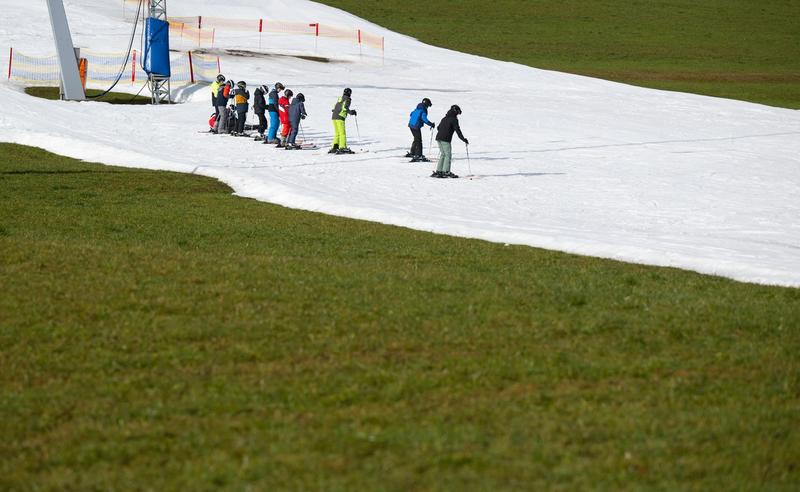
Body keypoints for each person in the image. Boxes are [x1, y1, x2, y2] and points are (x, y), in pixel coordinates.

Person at [433, 105, 469, 178]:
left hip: (438, 138)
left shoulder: (444, 118)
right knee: (448, 155)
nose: (458, 115)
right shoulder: (454, 119)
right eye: (458, 113)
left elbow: (438, 127)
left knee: (443, 154)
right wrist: (463, 139)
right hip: (445, 139)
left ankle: (439, 171)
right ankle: (446, 171)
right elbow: (458, 131)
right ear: (455, 112)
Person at [330, 87, 357, 154]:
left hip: (334, 116)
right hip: (340, 117)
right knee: (342, 133)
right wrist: (351, 112)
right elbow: (345, 108)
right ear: (349, 93)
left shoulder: (340, 98)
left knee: (337, 133)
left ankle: (335, 147)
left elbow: (336, 107)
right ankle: (342, 147)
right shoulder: (347, 99)